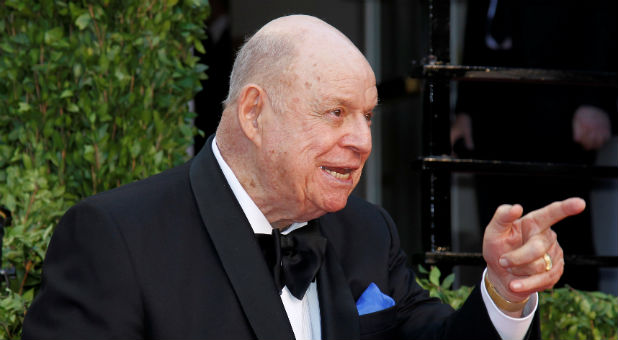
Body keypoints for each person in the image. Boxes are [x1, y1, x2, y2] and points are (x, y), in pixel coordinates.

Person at [22, 15, 584, 339]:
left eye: (367, 116)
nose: (362, 141)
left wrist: (506, 296)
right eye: (335, 113)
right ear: (253, 114)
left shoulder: (368, 231)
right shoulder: (115, 239)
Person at [451, 0, 617, 291]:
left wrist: (595, 100)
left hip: (558, 111)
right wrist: (464, 109)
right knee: (498, 224)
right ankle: (503, 316)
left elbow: (601, 20)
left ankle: (569, 324)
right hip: (492, 115)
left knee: (563, 226)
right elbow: (477, 29)